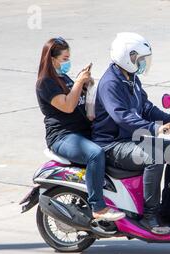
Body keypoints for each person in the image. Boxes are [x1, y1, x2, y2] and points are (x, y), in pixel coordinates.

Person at [92, 32, 170, 234]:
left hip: (128, 139)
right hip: (112, 144)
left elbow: (146, 107)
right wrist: (156, 128)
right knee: (156, 155)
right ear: (127, 57)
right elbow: (122, 117)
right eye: (139, 59)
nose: (142, 63)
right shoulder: (110, 84)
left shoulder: (130, 78)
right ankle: (150, 215)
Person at [36, 37, 125, 222]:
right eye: (65, 59)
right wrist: (78, 82)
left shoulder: (64, 78)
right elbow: (68, 106)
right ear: (52, 59)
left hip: (83, 132)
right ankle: (98, 207)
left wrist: (85, 85)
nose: (67, 62)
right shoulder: (46, 83)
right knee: (95, 154)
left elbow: (79, 102)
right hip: (63, 136)